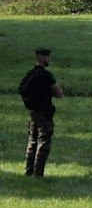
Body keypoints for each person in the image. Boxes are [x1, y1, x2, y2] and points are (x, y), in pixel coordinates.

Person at [18, 48, 63, 178]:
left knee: (32, 142)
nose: (48, 60)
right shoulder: (46, 76)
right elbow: (59, 94)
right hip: (45, 113)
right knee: (43, 143)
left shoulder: (29, 74)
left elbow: (22, 89)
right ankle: (38, 173)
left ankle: (28, 170)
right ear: (42, 58)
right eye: (47, 57)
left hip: (33, 113)